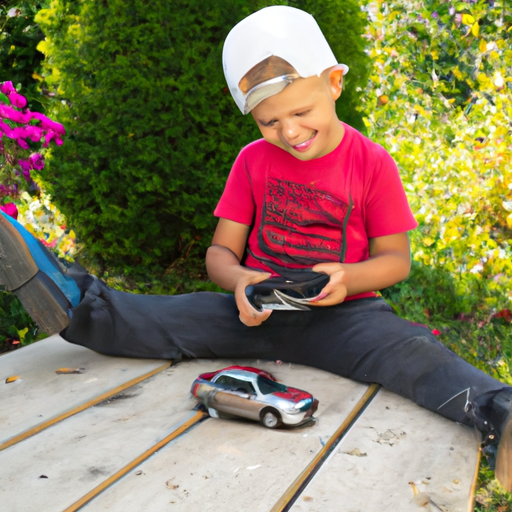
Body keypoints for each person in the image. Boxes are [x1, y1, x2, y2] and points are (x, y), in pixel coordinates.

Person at [1, 4, 511, 488]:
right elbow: (219, 255)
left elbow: (395, 261)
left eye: (301, 112)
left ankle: (501, 417)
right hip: (255, 312)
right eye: (269, 121)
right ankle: (71, 298)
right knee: (158, 317)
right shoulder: (252, 161)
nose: (289, 132)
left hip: (348, 317)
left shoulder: (372, 163)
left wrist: (347, 278)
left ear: (334, 83)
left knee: (417, 355)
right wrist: (242, 281)